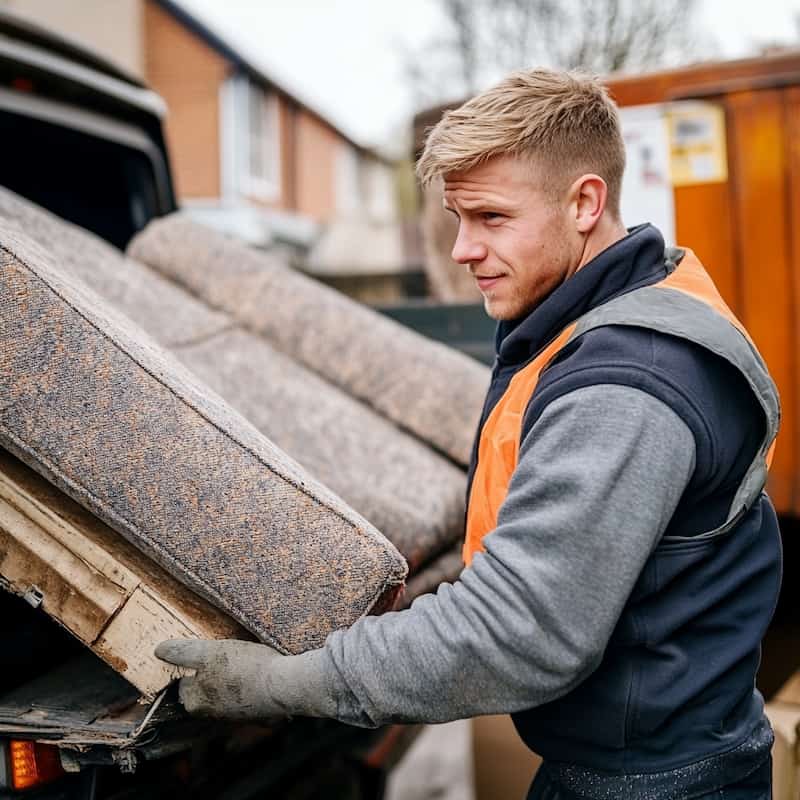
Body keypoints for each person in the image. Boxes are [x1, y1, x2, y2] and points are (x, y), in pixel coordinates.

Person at [156, 69, 782, 799]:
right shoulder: (614, 310)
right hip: (647, 756)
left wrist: (290, 681)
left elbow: (520, 630)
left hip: (657, 783)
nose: (461, 249)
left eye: (490, 218)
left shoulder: (626, 385)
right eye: (458, 218)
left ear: (585, 202)